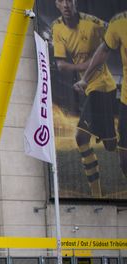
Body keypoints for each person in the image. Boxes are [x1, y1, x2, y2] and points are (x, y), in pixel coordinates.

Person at [51, 0, 118, 197]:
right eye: (61, 1)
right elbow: (61, 65)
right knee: (110, 145)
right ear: (56, 4)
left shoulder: (93, 23)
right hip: (89, 89)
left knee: (81, 138)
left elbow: (114, 33)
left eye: (69, 0)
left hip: (103, 87)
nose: (66, 4)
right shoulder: (57, 28)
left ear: (76, 3)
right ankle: (97, 194)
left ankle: (96, 195)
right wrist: (87, 66)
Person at [74, 10, 127, 178]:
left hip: (106, 90)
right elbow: (104, 50)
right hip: (126, 100)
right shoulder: (119, 22)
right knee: (123, 160)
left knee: (82, 137)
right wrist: (85, 79)